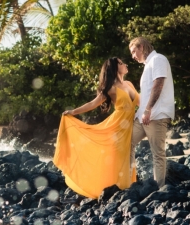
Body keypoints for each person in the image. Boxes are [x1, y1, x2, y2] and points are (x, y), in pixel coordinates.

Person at [53, 57, 139, 199]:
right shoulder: (111, 88)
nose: (125, 64)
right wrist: (73, 112)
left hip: (130, 124)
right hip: (117, 128)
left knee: (129, 155)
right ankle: (120, 190)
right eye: (122, 63)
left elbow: (140, 102)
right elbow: (93, 103)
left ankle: (128, 187)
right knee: (119, 157)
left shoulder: (129, 84)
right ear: (115, 68)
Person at [128, 37, 175, 188]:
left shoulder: (158, 59)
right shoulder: (147, 65)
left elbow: (158, 85)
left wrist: (148, 109)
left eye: (134, 51)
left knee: (158, 154)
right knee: (126, 143)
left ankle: (159, 190)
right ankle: (128, 182)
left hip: (156, 115)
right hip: (143, 117)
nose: (133, 56)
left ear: (141, 47)